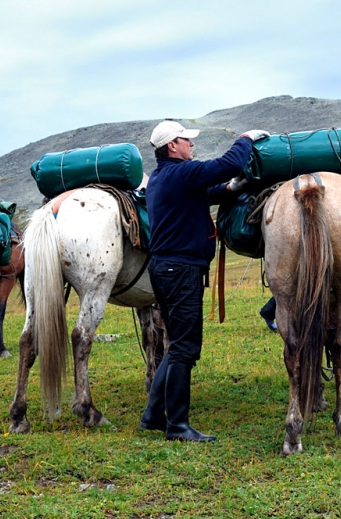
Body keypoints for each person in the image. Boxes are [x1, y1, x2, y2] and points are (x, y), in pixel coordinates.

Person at [139, 120, 268, 442]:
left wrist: (228, 190)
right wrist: (245, 137)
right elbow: (229, 165)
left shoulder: (161, 178)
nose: (191, 146)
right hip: (180, 271)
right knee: (185, 348)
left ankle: (153, 414)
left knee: (177, 343)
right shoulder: (182, 172)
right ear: (172, 146)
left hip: (165, 268)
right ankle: (178, 426)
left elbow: (201, 193)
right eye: (187, 140)